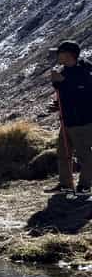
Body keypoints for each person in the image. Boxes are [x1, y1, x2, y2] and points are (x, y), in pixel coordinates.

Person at [51, 41, 92, 194]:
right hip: (67, 120)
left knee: (84, 154)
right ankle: (66, 184)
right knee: (63, 153)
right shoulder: (64, 70)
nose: (57, 55)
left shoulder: (85, 71)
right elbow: (67, 93)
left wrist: (63, 82)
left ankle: (85, 186)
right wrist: (56, 104)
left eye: (59, 52)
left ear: (68, 55)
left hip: (82, 121)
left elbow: (83, 94)